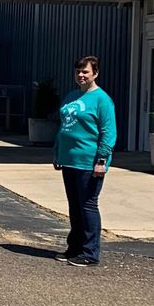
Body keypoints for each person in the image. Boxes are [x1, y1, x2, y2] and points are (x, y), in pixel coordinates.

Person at [53, 55, 116, 267]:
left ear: (95, 74)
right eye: (78, 71)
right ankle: (75, 247)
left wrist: (102, 159)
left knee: (88, 205)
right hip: (69, 160)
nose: (80, 75)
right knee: (74, 206)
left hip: (89, 161)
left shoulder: (102, 100)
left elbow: (108, 132)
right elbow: (63, 127)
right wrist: (58, 152)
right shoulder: (71, 96)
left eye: (85, 72)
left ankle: (90, 252)